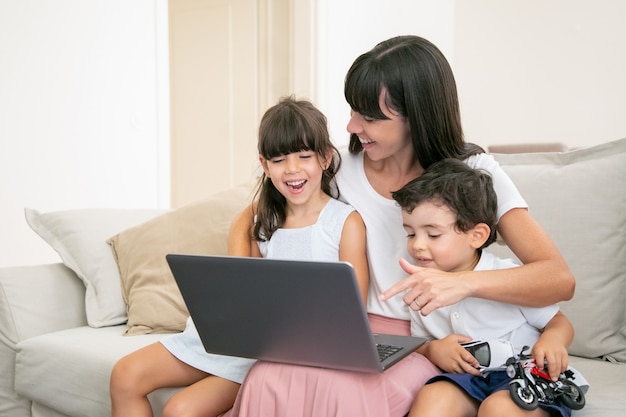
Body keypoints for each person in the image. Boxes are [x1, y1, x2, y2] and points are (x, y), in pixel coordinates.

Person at [224, 35, 575, 417]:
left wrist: (461, 282)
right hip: (356, 333)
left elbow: (558, 279)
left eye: (370, 117)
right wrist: (244, 288)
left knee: (347, 391)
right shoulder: (337, 168)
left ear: (417, 116)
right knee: (267, 377)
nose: (351, 125)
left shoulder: (473, 174)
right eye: (352, 110)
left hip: (422, 337)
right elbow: (259, 211)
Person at [109, 96, 368, 417]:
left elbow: (354, 310)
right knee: (124, 375)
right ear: (264, 165)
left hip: (274, 353)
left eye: (304, 156)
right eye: (279, 160)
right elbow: (246, 286)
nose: (292, 169)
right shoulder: (266, 221)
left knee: (180, 409)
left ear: (326, 158)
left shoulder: (344, 222)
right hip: (235, 339)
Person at [392, 158, 575, 417]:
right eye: (411, 234)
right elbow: (421, 339)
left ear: (476, 235)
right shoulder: (421, 285)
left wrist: (553, 340)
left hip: (527, 378)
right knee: (433, 397)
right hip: (469, 379)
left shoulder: (507, 277)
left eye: (433, 235)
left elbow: (558, 322)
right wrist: (433, 348)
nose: (417, 245)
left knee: (499, 409)